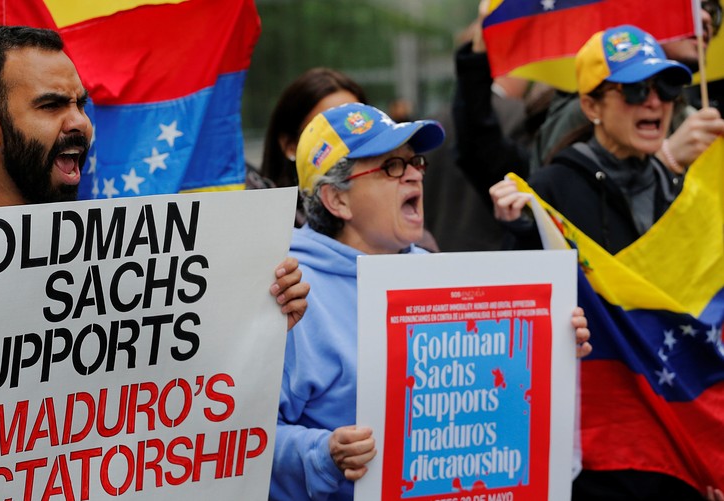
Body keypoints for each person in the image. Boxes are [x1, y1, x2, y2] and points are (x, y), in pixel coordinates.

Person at [0, 25, 308, 374]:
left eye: (80, 104)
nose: (79, 124)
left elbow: (152, 380)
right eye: (51, 106)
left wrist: (257, 322)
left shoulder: (102, 242)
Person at [271, 103, 592, 501]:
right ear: (337, 201)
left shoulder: (435, 274)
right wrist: (321, 454)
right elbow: (242, 439)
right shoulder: (290, 290)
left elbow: (481, 392)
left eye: (415, 162)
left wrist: (551, 349)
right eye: (390, 166)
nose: (413, 174)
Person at [490, 25, 713, 499]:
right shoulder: (549, 189)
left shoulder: (684, 189)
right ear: (591, 107)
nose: (655, 102)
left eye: (667, 86)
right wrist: (523, 229)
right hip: (599, 452)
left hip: (675, 441)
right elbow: (514, 321)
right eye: (634, 89)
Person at [531, 1, 724, 171]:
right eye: (635, 91)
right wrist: (666, 161)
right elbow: (554, 203)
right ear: (591, 108)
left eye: (712, 10)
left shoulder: (689, 114)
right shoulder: (590, 108)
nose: (705, 17)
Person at [253, 67, 367, 227]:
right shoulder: (262, 224)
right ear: (290, 146)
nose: (347, 145)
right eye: (327, 132)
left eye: (358, 125)